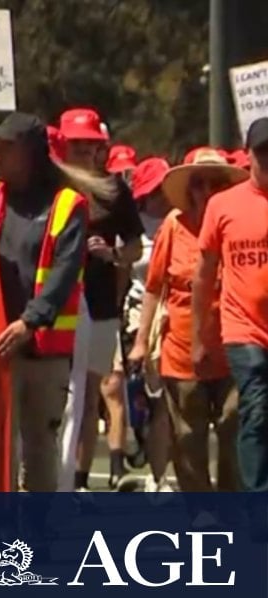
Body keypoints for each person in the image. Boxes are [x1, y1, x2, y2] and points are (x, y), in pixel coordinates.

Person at [0, 112, 96, 492]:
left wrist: (29, 322)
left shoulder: (68, 206)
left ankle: (36, 532)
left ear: (28, 154)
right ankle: (4, 525)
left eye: (4, 148)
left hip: (44, 351)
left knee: (40, 446)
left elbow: (63, 275)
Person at [131, 149, 247, 492]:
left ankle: (231, 505)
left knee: (234, 424)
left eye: (216, 184)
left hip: (234, 346)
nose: (208, 191)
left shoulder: (238, 224)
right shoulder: (173, 226)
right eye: (200, 184)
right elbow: (153, 288)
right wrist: (141, 342)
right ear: (190, 189)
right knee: (187, 436)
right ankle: (200, 511)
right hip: (181, 350)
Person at [56, 107, 143, 492]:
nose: (85, 153)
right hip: (58, 302)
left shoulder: (114, 190)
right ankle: (45, 473)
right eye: (77, 146)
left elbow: (135, 248)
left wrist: (112, 255)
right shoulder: (52, 184)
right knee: (58, 394)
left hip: (102, 299)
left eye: (91, 146)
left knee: (91, 395)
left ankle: (77, 478)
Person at [194, 117, 268, 493]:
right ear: (249, 155)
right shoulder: (223, 206)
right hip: (244, 329)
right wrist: (199, 336)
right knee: (256, 407)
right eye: (263, 152)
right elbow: (204, 274)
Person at [122, 157, 176, 493]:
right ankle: (155, 472)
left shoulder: (181, 220)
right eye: (153, 188)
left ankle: (165, 475)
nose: (159, 194)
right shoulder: (134, 225)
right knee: (150, 398)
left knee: (170, 401)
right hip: (138, 316)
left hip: (175, 315)